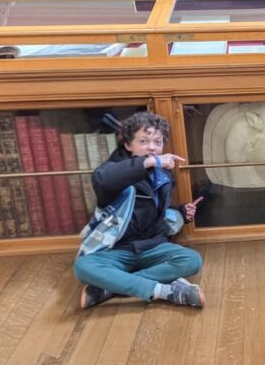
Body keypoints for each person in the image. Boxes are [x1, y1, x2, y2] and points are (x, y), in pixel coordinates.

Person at [73, 112, 205, 309]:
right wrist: (150, 161)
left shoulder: (164, 174)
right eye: (144, 141)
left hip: (153, 247)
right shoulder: (113, 169)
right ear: (128, 145)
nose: (152, 147)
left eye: (158, 142)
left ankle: (113, 287)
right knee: (83, 268)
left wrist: (181, 213)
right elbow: (102, 179)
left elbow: (153, 211)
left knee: (192, 260)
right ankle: (164, 292)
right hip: (116, 250)